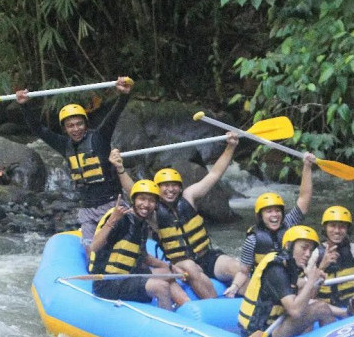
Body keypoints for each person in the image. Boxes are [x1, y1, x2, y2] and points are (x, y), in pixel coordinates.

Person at [15, 77, 134, 251]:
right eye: (70, 126)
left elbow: (113, 116)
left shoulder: (100, 138)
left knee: (120, 248)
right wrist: (24, 105)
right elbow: (39, 130)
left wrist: (123, 95)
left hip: (110, 204)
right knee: (89, 250)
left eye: (79, 124)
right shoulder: (64, 145)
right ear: (65, 129)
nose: (76, 129)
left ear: (85, 124)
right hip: (87, 208)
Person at [152, 132, 247, 299]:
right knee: (190, 265)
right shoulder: (152, 210)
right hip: (181, 263)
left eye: (174, 186)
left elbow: (214, 175)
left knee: (236, 267)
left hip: (206, 256)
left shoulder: (189, 196)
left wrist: (230, 147)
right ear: (157, 189)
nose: (170, 190)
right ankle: (215, 308)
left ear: (180, 188)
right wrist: (120, 169)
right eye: (165, 186)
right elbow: (133, 191)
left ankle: (257, 306)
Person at [88, 180, 190, 311]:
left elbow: (144, 257)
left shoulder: (142, 224)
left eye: (151, 201)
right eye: (142, 199)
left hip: (129, 275)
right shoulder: (120, 218)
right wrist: (112, 221)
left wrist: (171, 267)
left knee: (168, 274)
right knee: (161, 287)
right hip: (108, 282)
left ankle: (186, 306)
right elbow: (94, 247)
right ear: (134, 200)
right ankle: (168, 322)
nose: (146, 205)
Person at [238, 225, 335, 337]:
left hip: (272, 325)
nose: (307, 254)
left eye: (311, 250)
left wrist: (315, 282)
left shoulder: (290, 265)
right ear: (288, 245)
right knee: (322, 309)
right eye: (304, 248)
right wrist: (310, 281)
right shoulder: (276, 270)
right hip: (259, 333)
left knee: (311, 311)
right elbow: (295, 311)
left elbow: (306, 299)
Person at [238, 152, 316, 275]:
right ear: (260, 216)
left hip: (290, 280)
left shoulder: (289, 224)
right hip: (266, 284)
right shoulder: (252, 240)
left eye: (277, 210)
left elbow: (304, 198)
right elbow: (244, 271)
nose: (275, 215)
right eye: (269, 211)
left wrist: (307, 166)